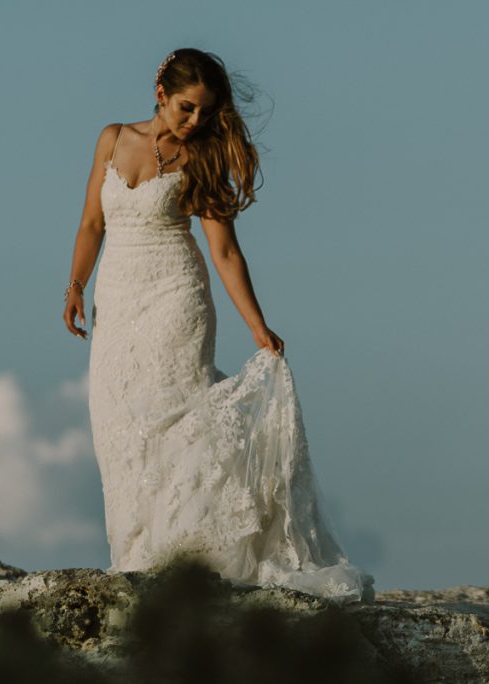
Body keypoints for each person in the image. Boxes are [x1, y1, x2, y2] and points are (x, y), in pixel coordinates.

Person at [62, 48, 374, 603]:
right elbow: (91, 221)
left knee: (175, 416)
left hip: (176, 298)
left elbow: (225, 253)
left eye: (205, 112)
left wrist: (257, 324)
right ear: (161, 91)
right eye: (186, 108)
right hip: (117, 301)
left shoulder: (201, 156)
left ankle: (181, 557)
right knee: (118, 423)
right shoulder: (112, 138)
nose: (194, 121)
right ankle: (137, 556)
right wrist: (75, 285)